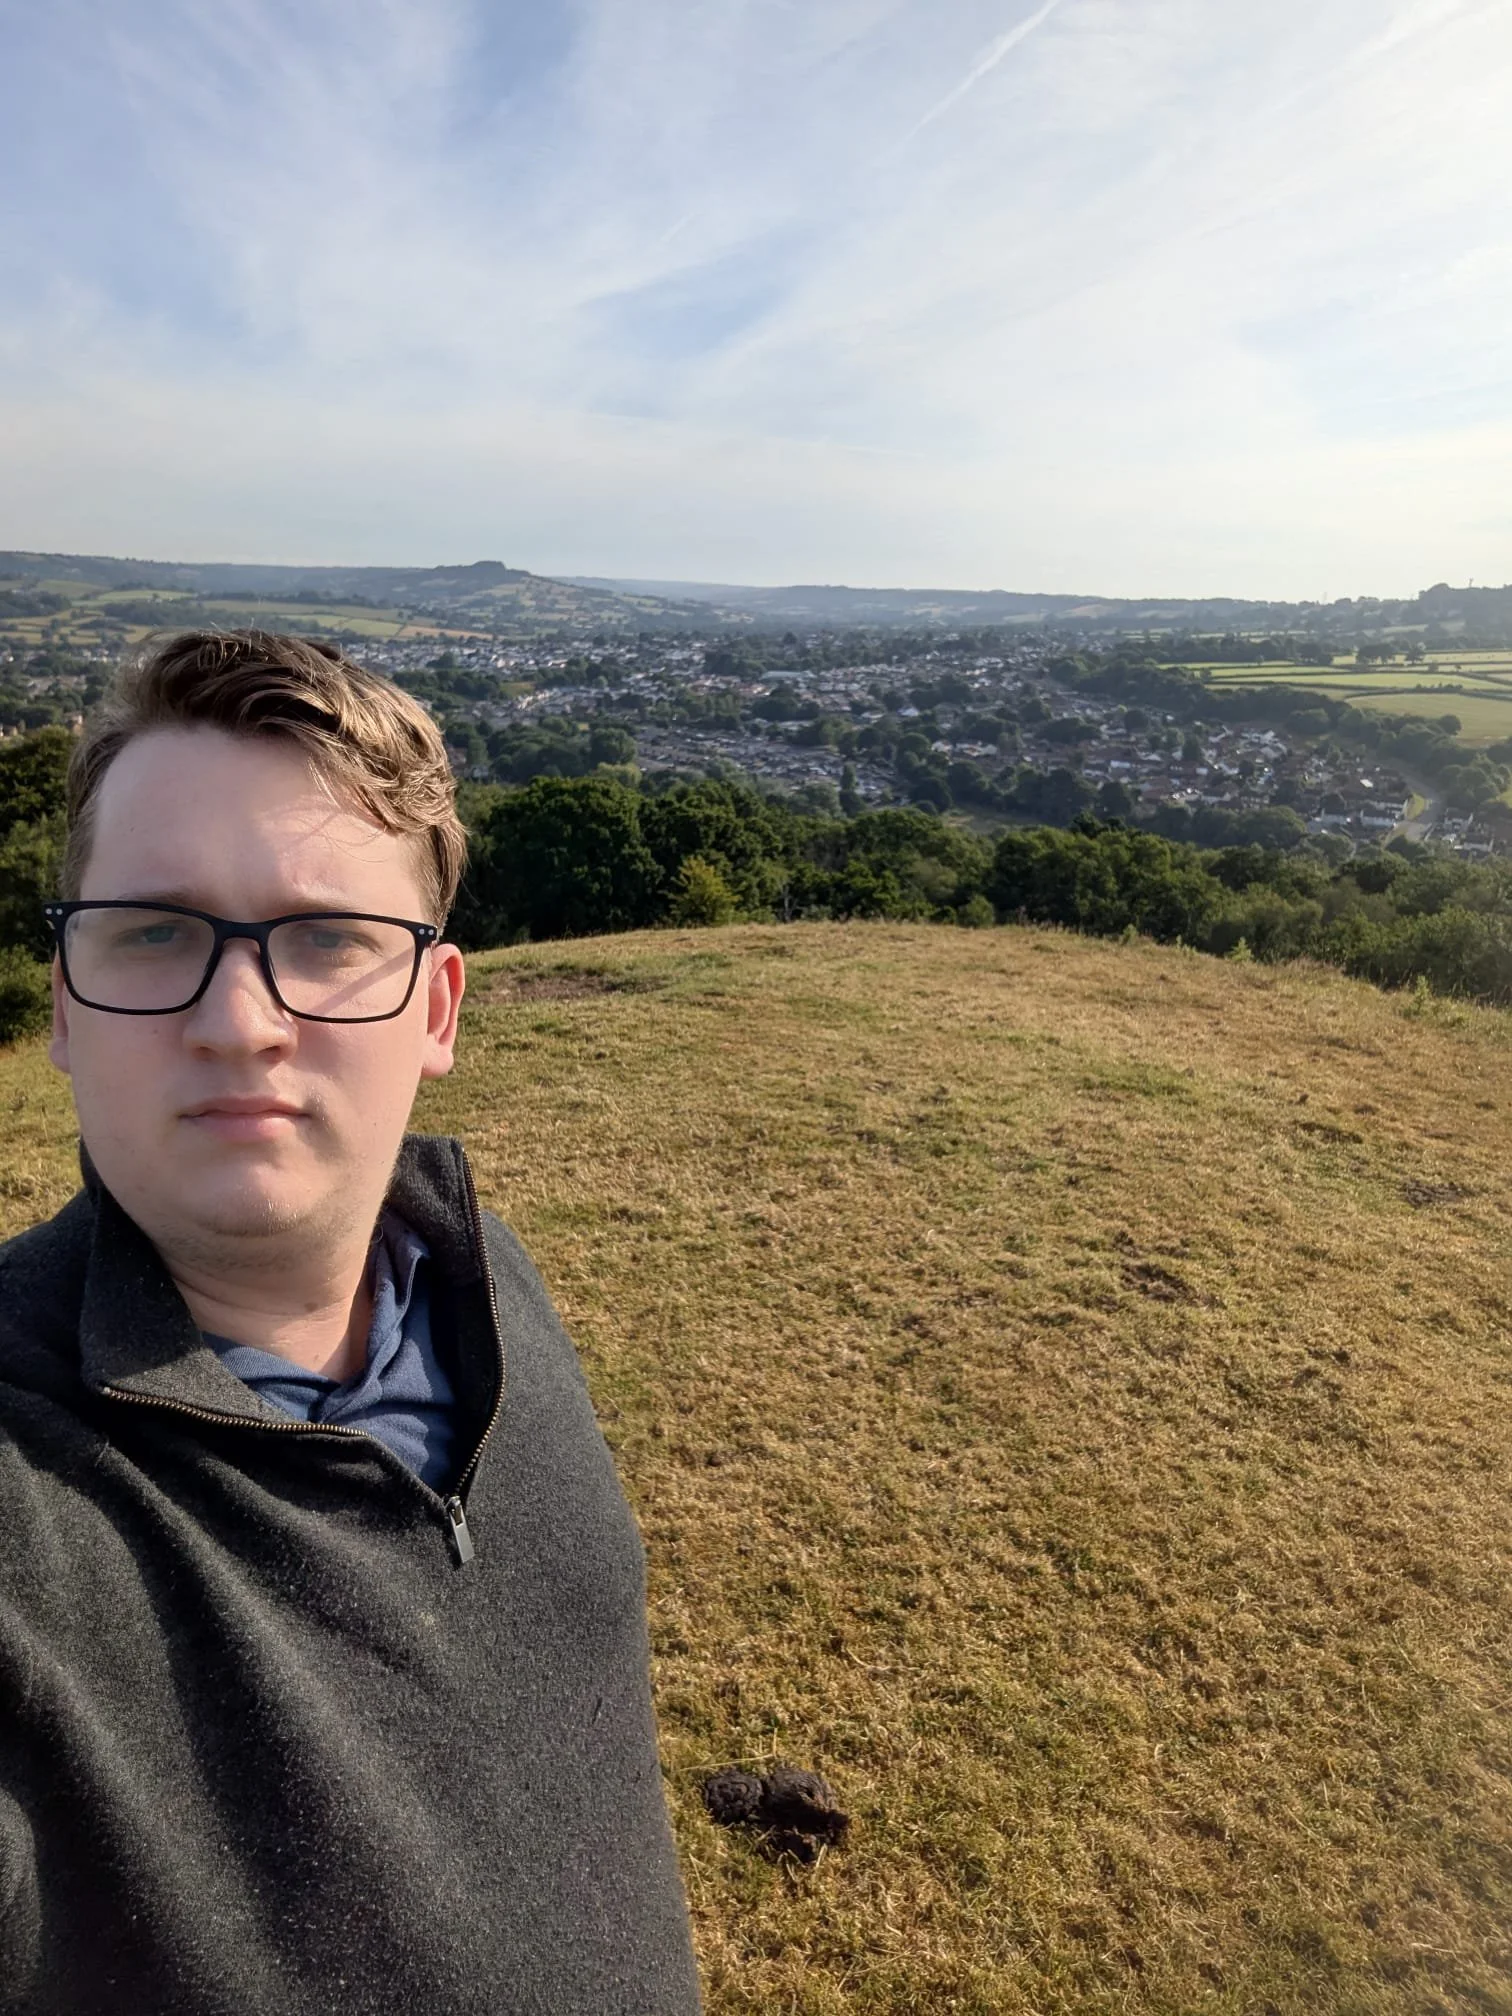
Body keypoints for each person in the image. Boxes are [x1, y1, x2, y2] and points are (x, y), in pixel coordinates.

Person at [0, 631, 703, 2014]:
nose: (239, 1020)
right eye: (153, 933)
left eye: (327, 939)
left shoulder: (482, 1280)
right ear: (68, 1006)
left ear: (436, 1008)